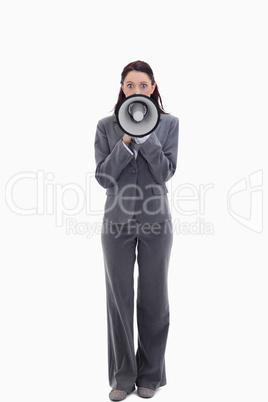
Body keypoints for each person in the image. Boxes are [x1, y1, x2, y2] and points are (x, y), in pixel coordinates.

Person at [94, 60, 179, 401]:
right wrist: (126, 141)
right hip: (116, 223)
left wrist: (147, 139)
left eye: (144, 85)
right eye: (131, 85)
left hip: (157, 221)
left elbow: (166, 173)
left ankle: (151, 375)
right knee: (119, 301)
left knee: (154, 299)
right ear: (122, 89)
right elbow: (103, 177)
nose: (137, 90)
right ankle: (122, 377)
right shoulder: (106, 126)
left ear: (153, 88)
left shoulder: (170, 124)